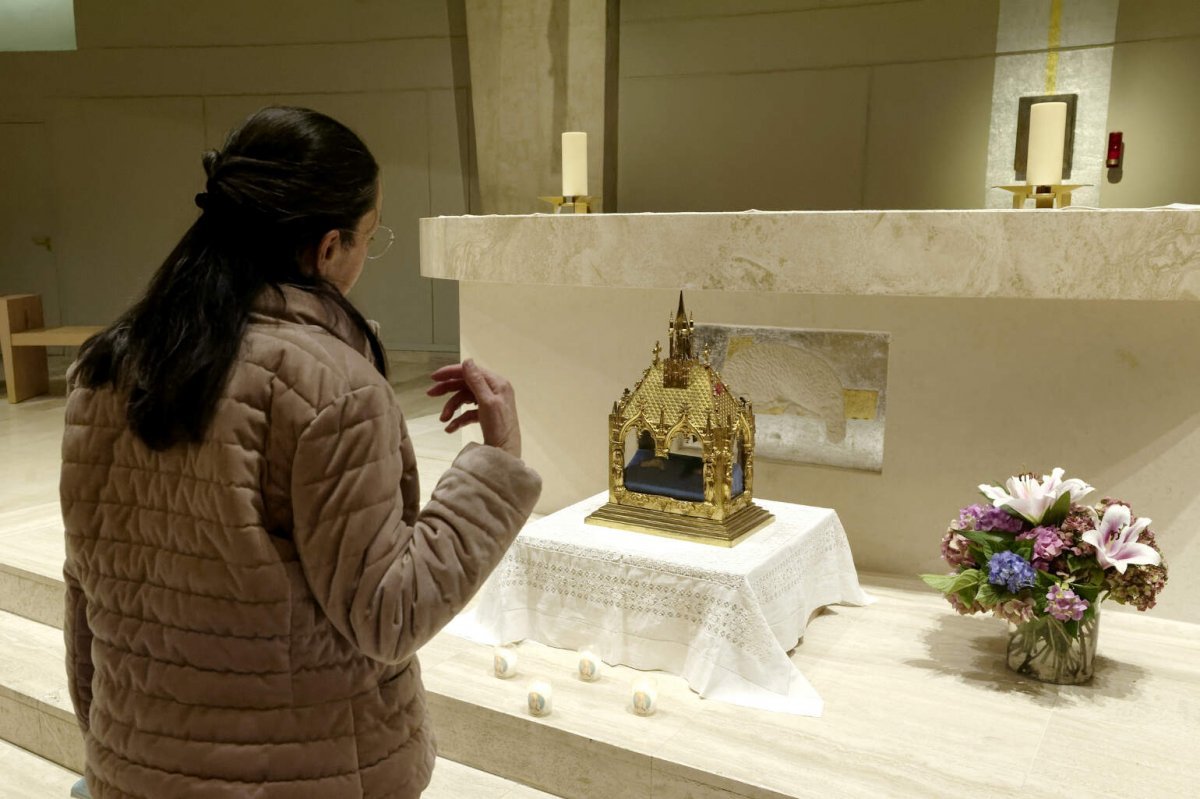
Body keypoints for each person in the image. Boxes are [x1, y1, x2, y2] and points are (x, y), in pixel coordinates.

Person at [60, 106, 541, 798]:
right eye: (369, 239)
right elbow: (389, 613)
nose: (364, 260)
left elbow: (88, 598)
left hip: (132, 769)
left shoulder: (103, 369)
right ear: (326, 249)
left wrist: (111, 753)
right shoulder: (333, 390)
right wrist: (495, 465)